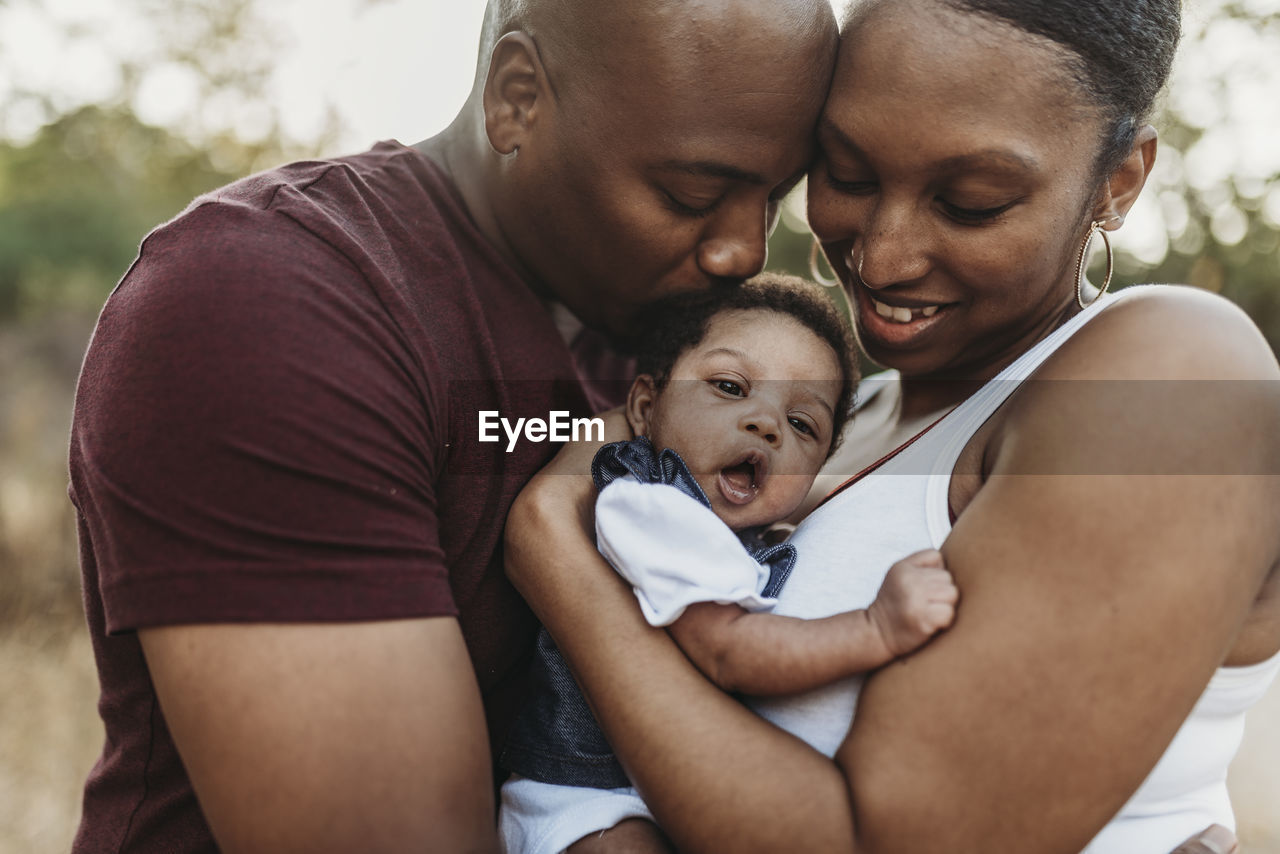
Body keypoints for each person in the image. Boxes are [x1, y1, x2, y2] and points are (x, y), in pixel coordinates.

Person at [504, 0, 1280, 852]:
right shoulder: (846, 415)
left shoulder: (1177, 367)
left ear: (1118, 181)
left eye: (971, 202)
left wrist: (558, 558)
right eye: (849, 174)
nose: (881, 257)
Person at [67, 1, 838, 851]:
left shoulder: (674, 341)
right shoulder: (267, 305)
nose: (744, 252)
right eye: (691, 192)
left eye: (772, 198)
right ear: (517, 98)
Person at [497, 277, 958, 853]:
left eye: (801, 424)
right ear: (644, 407)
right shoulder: (652, 510)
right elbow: (729, 649)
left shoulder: (725, 525)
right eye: (728, 386)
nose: (766, 423)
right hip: (586, 801)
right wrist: (875, 629)